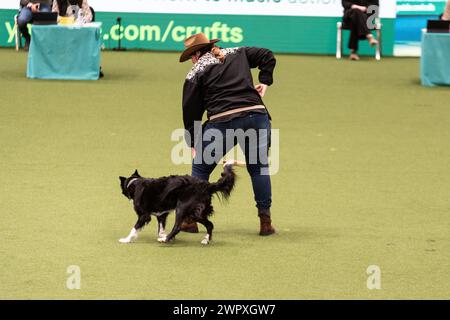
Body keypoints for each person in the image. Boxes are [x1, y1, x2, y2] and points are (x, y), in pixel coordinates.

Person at [179, 33, 276, 236]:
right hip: (257, 116)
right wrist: (264, 81)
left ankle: (191, 219)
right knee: (259, 169)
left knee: (200, 168)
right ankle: (265, 222)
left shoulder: (195, 72)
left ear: (196, 54)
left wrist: (193, 140)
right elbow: (267, 55)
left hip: (222, 121)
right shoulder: (238, 52)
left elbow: (191, 111)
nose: (191, 60)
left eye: (190, 56)